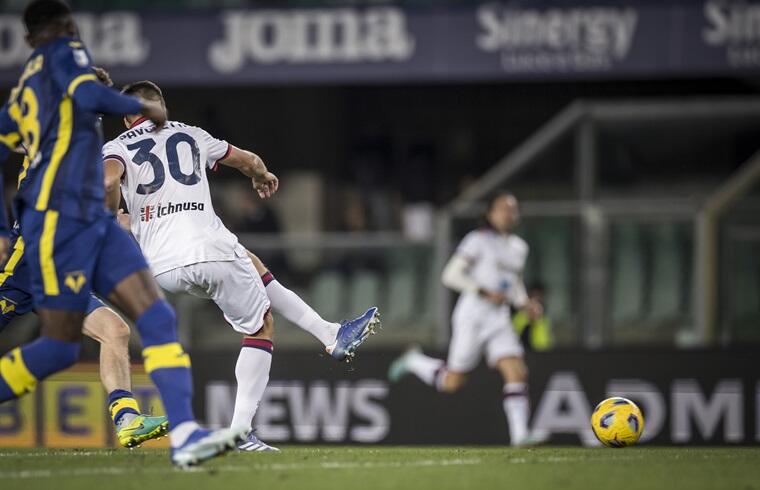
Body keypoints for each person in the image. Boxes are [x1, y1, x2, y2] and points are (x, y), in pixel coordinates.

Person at [0, 0, 240, 466]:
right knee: (58, 348)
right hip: (42, 243)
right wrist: (141, 107)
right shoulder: (57, 70)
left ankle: (146, 423)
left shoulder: (48, 92)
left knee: (119, 328)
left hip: (76, 233)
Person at [101, 80, 380, 452]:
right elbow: (247, 160)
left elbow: (107, 180)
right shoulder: (191, 135)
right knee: (261, 326)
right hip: (208, 249)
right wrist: (261, 176)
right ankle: (241, 431)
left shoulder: (115, 147)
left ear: (126, 119)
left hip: (163, 268)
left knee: (249, 259)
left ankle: (331, 334)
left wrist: (113, 218)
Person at [388, 192, 541, 446]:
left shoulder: (518, 248)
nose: (508, 213)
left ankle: (520, 435)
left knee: (515, 369)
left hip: (499, 318)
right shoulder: (477, 241)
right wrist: (483, 291)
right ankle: (414, 360)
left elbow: (514, 284)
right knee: (453, 382)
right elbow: (450, 275)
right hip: (473, 315)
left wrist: (524, 303)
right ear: (490, 214)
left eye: (512, 209)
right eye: (502, 208)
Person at [512, 283, 553, 352]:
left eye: (538, 299)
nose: (535, 303)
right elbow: (511, 338)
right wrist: (526, 316)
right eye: (533, 297)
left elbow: (542, 345)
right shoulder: (518, 316)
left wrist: (536, 321)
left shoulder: (544, 320)